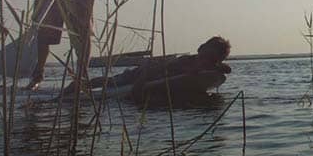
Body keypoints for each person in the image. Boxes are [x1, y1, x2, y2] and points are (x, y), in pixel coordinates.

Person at [96, 36, 232, 105]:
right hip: (145, 73)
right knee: (113, 81)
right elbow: (159, 69)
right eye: (205, 56)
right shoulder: (185, 61)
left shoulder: (210, 66)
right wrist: (140, 84)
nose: (205, 62)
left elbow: (226, 69)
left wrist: (218, 66)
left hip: (160, 80)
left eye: (212, 59)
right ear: (200, 49)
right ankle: (81, 85)